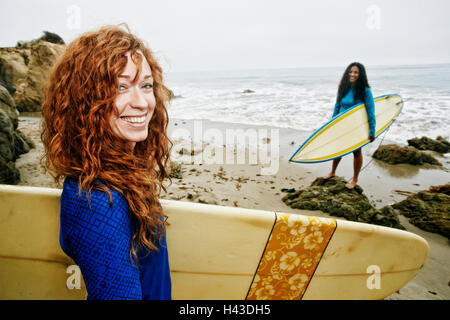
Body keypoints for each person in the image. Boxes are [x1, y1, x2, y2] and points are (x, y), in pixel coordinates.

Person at [41, 25, 172, 300]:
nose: (142, 102)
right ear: (85, 101)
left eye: (146, 85)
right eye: (120, 87)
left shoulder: (120, 175)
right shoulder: (95, 199)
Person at [323, 62, 376, 189]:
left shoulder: (365, 91)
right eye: (350, 72)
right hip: (341, 124)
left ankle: (355, 179)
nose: (352, 74)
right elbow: (337, 106)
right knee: (338, 148)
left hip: (355, 127)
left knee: (356, 152)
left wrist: (372, 131)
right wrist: (332, 123)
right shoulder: (343, 87)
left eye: (356, 72)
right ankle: (332, 172)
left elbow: (371, 111)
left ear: (360, 74)